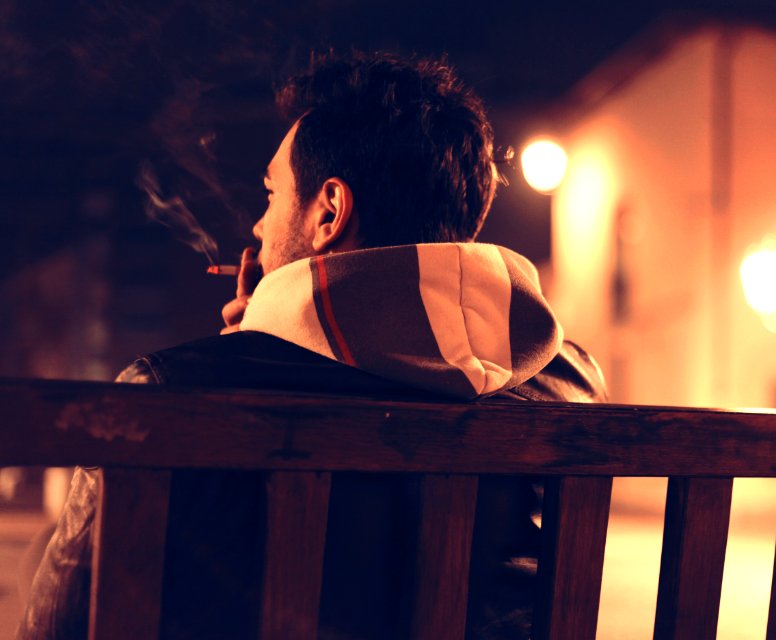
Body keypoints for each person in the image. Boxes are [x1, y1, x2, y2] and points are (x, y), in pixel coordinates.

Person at [17, 50, 606, 640]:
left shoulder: (169, 396)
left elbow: (60, 629)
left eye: (272, 195)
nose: (257, 226)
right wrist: (267, 337)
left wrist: (251, 348)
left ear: (329, 212)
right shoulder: (569, 383)